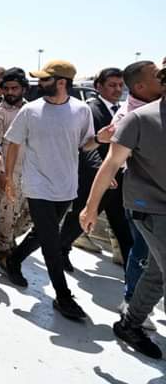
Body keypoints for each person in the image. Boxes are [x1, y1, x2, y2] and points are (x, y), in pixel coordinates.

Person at [3, 60, 111, 320]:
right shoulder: (30, 111)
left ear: (61, 82)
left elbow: (85, 145)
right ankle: (63, 297)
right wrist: (8, 178)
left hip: (66, 186)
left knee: (42, 234)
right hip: (37, 185)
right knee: (51, 242)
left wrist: (99, 139)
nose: (38, 84)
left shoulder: (81, 110)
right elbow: (13, 143)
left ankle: (14, 260)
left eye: (44, 80)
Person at [80, 67, 166, 359]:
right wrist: (91, 208)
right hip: (151, 209)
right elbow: (109, 165)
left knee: (155, 274)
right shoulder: (138, 119)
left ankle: (130, 325)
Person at [60, 68, 131, 274]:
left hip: (120, 179)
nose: (118, 89)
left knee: (122, 227)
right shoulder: (90, 110)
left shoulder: (124, 110)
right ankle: (61, 250)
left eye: (120, 85)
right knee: (78, 220)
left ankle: (132, 272)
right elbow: (85, 145)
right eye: (112, 85)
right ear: (99, 87)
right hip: (95, 179)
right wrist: (102, 171)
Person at [111, 61, 163, 330]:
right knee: (141, 251)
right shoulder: (131, 116)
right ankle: (131, 301)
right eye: (158, 76)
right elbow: (114, 161)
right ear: (141, 86)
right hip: (144, 199)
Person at [0, 68, 31, 268]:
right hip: (8, 172)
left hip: (31, 174)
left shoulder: (33, 111)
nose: (11, 92)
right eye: (7, 88)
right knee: (7, 213)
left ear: (23, 89)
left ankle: (7, 236)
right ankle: (3, 249)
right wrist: (1, 175)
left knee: (31, 215)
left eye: (15, 88)